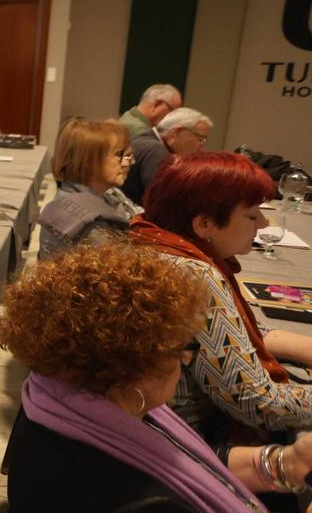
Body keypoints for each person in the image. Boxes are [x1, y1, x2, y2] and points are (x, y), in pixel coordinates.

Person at [0, 243, 312, 511]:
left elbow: (181, 461)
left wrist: (285, 463)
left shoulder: (60, 397)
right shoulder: (140, 500)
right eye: (181, 352)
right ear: (135, 370)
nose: (184, 364)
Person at [131, 152, 312, 436]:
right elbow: (258, 404)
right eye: (252, 214)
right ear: (203, 224)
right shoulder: (195, 276)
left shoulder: (149, 240)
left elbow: (233, 331)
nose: (264, 223)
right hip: (184, 439)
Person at [37, 119, 134, 260]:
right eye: (119, 155)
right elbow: (119, 272)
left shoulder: (81, 195)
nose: (127, 162)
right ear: (89, 162)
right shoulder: (92, 225)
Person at [121, 107, 212, 204]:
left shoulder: (143, 140)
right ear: (178, 131)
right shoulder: (156, 152)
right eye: (200, 138)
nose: (202, 147)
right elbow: (163, 202)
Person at [118, 83, 183, 139]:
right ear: (157, 105)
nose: (173, 117)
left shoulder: (129, 116)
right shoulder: (140, 132)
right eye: (172, 112)